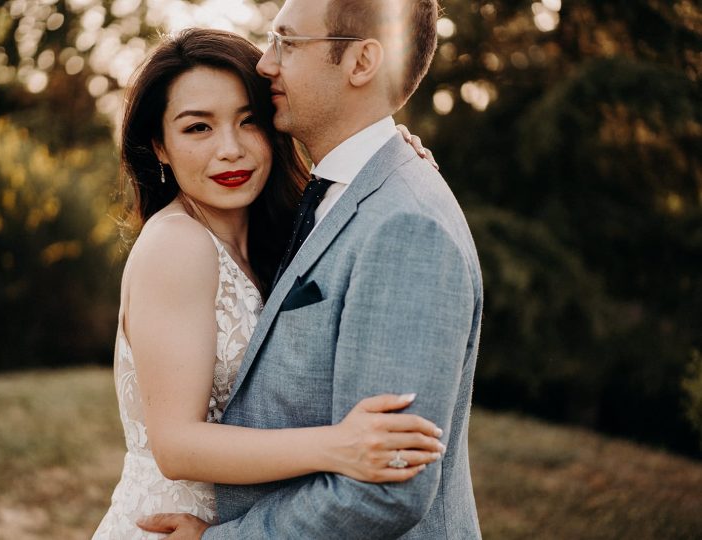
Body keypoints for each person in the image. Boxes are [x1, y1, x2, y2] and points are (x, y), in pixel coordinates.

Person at [138, 0, 484, 538]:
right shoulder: (333, 197)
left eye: (288, 43)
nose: (266, 65)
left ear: (362, 62)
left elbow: (386, 487)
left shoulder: (402, 222)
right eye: (198, 127)